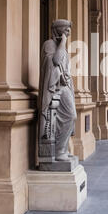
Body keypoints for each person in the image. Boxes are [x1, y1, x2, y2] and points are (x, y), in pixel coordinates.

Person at [38, 19, 77, 161]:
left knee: (71, 117)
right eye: (66, 31)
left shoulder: (62, 48)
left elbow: (64, 67)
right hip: (54, 88)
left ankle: (63, 148)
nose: (68, 33)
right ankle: (59, 151)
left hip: (64, 86)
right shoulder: (49, 44)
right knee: (71, 115)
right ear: (59, 30)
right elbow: (54, 62)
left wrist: (66, 76)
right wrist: (63, 42)